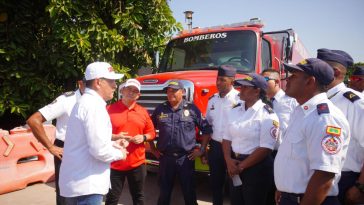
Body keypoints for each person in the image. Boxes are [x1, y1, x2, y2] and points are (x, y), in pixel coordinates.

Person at [274, 58, 350, 205]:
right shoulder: (301, 111)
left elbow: (324, 174)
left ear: (310, 81)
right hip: (292, 197)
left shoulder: (325, 118)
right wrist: (284, 188)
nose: (287, 79)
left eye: (293, 76)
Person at [59, 62, 127, 205]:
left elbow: (86, 142)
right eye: (112, 81)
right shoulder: (94, 106)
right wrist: (121, 153)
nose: (115, 86)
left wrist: (113, 144)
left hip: (79, 183)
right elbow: (99, 151)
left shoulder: (85, 102)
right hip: (87, 186)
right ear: (98, 82)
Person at [149, 80, 212, 205]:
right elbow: (149, 129)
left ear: (182, 92)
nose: (170, 93)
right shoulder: (160, 109)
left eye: (174, 90)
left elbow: (207, 130)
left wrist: (202, 150)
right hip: (165, 158)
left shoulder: (192, 109)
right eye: (168, 91)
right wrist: (153, 149)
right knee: (164, 192)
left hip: (186, 158)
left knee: (189, 192)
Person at [222, 73, 279, 205]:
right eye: (241, 87)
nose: (241, 89)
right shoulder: (235, 110)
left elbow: (265, 148)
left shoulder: (267, 115)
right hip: (234, 164)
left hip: (256, 168)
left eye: (245, 87)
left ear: (257, 90)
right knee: (236, 201)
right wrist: (228, 160)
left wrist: (241, 166)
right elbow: (226, 138)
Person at [26, 78, 85, 205]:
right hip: (66, 149)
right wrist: (50, 147)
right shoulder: (66, 100)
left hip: (87, 149)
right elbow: (34, 120)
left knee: (85, 194)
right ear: (81, 84)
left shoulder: (97, 101)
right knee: (66, 195)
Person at [317, 49, 364, 205]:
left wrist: (360, 187)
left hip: (346, 179)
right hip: (317, 177)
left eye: (319, 68)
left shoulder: (355, 103)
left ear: (335, 72)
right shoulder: (318, 98)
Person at [105, 79, 156, 205]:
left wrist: (143, 138)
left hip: (137, 163)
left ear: (138, 95)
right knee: (112, 198)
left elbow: (152, 133)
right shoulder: (109, 109)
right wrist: (114, 137)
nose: (131, 93)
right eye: (129, 89)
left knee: (138, 197)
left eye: (135, 91)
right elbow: (98, 134)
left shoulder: (143, 112)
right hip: (115, 162)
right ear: (122, 90)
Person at [201, 65, 240, 205]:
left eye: (223, 80)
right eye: (217, 79)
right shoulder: (212, 100)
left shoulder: (240, 100)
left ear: (232, 82)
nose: (218, 83)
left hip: (234, 148)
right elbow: (208, 126)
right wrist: (204, 148)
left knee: (235, 184)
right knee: (215, 183)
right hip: (216, 147)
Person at [261, 69, 298, 205]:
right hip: (263, 153)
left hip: (282, 154)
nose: (261, 83)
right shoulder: (261, 102)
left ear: (276, 82)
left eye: (265, 80)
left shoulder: (291, 102)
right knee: (264, 192)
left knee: (277, 193)